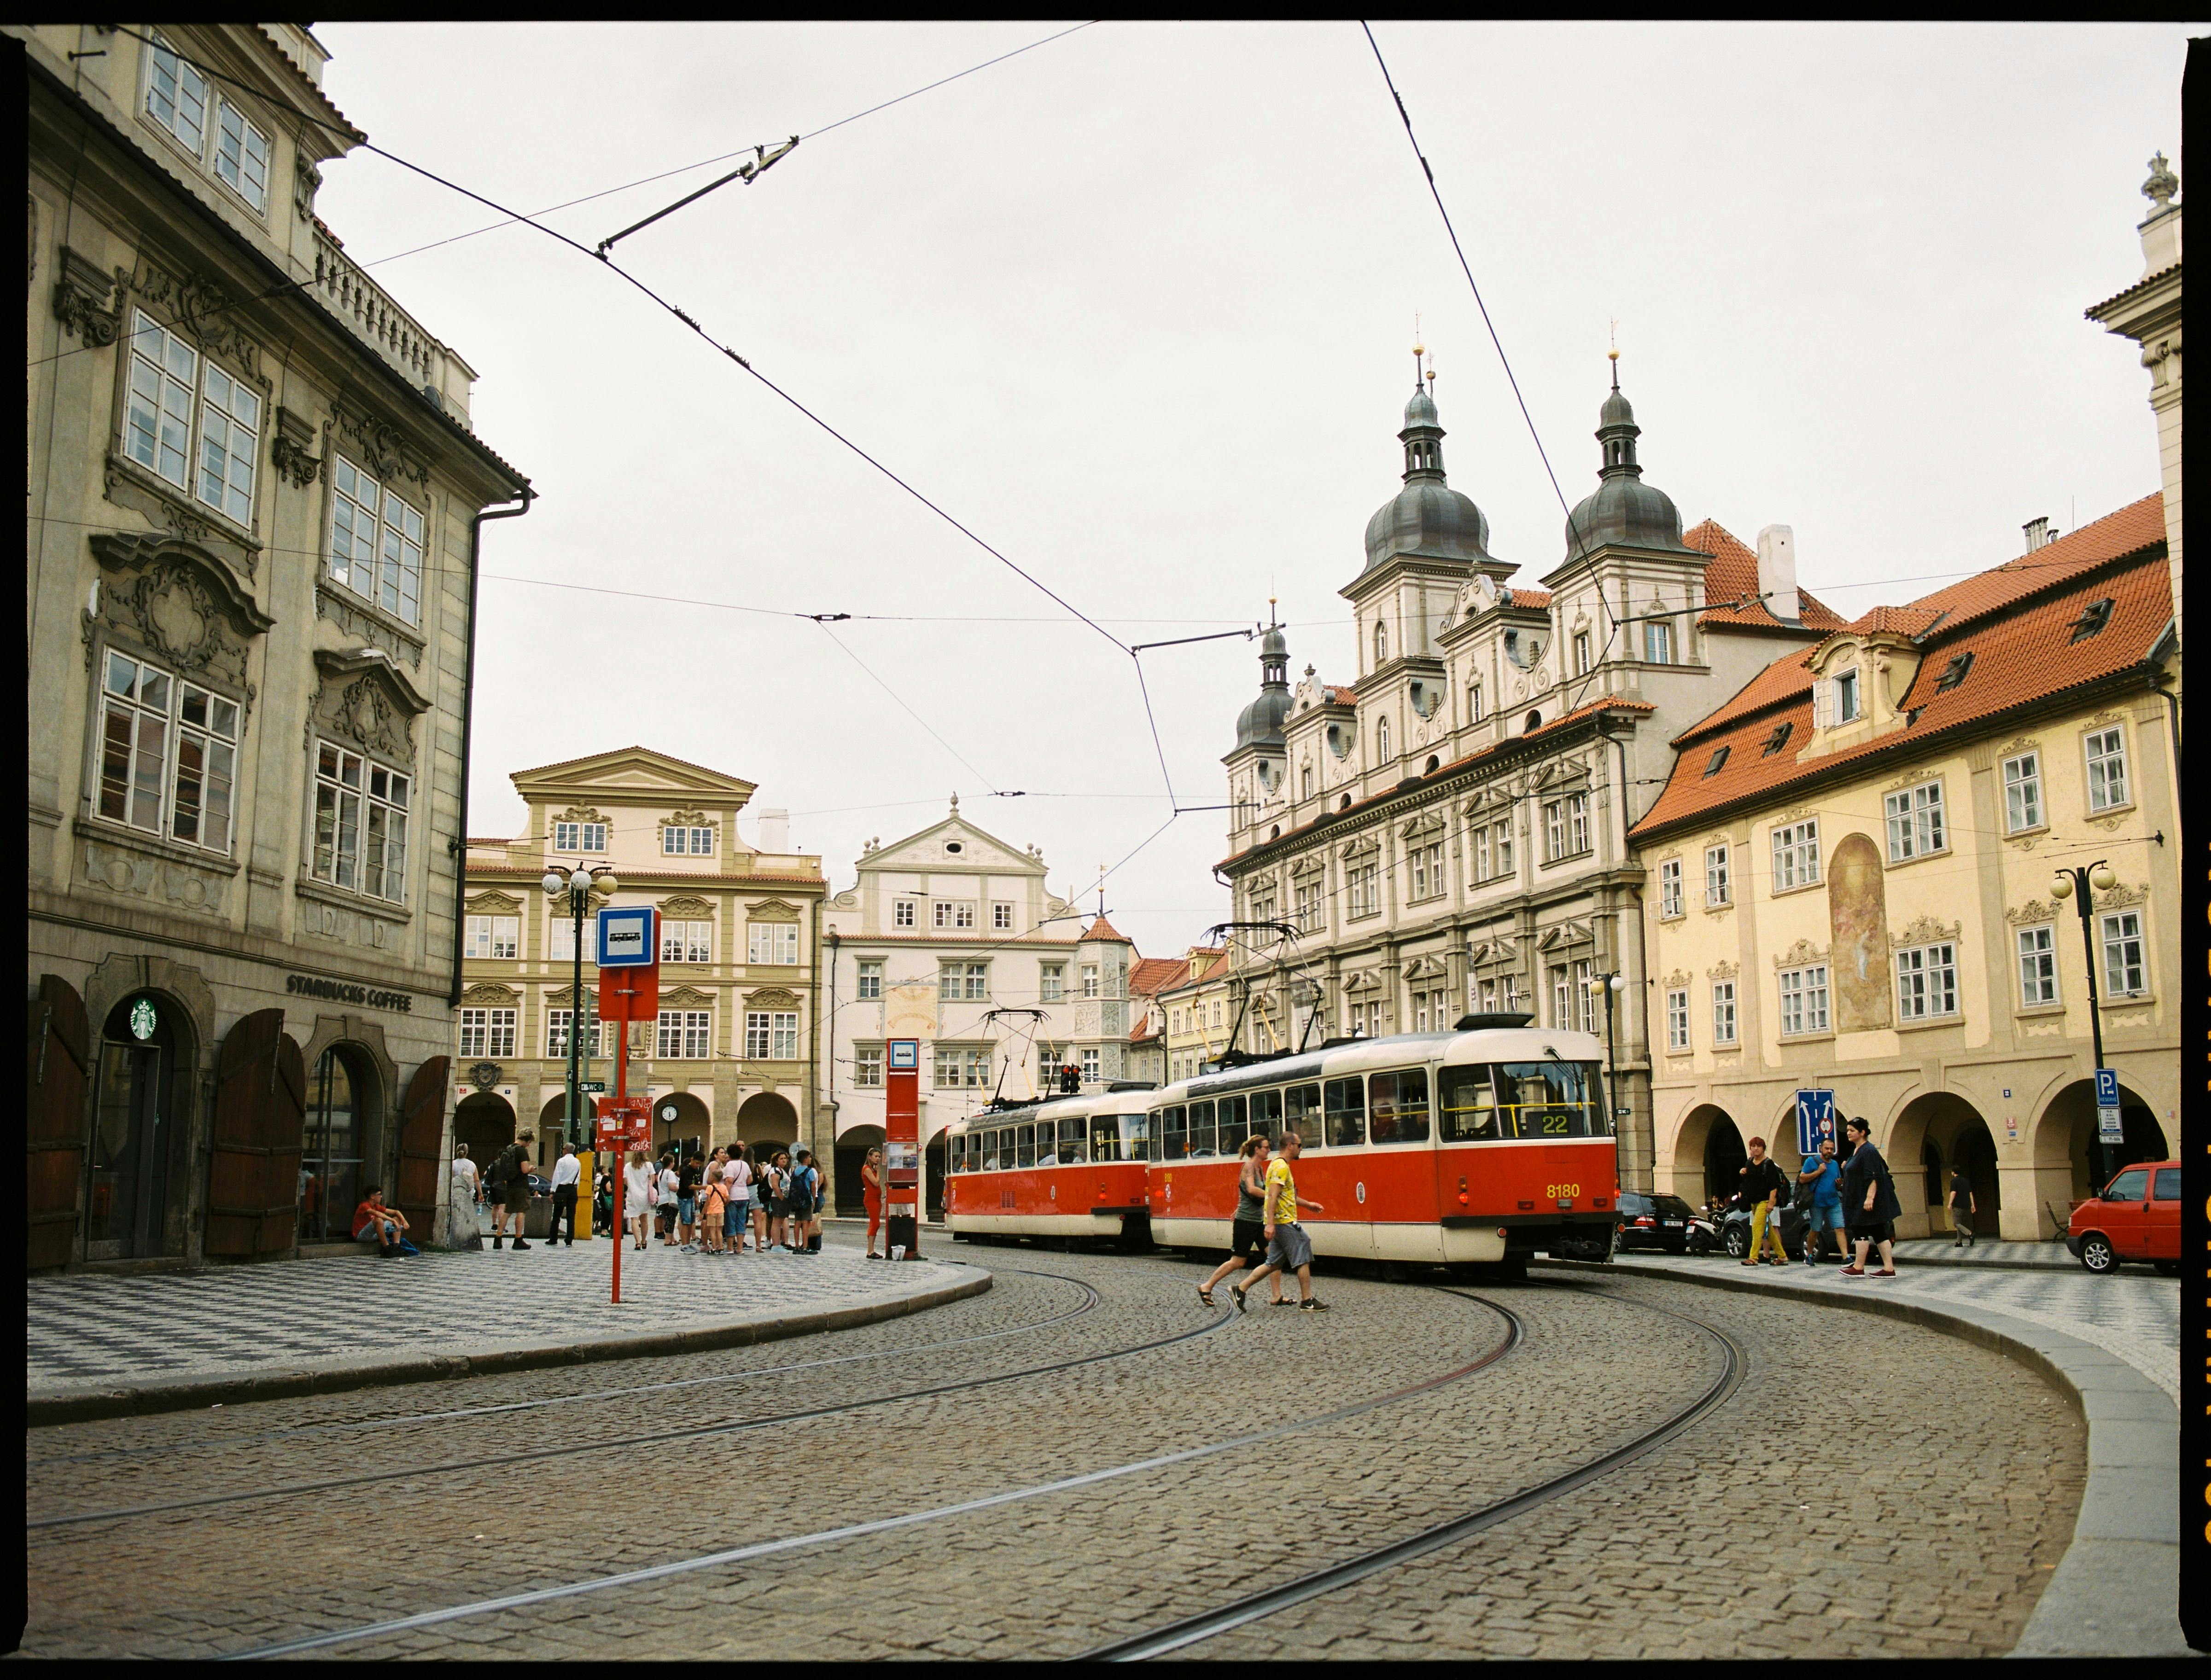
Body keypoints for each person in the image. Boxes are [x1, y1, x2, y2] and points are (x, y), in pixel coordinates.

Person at [1236, 1130, 1326, 1311]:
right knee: (1303, 1250)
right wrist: (1270, 1224)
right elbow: (1272, 1196)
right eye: (1299, 1145)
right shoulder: (1281, 1167)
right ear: (1290, 1146)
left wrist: (1308, 1205)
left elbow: (1286, 1196)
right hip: (1284, 1221)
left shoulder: (1279, 1165)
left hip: (1280, 1220)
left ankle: (1240, 1289)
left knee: (1273, 1263)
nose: (1301, 1149)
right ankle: (1307, 1300)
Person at [1201, 1134, 1285, 1307]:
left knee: (1274, 1258)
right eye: (1266, 1147)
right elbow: (1251, 1189)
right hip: (1246, 1222)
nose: (1269, 1150)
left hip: (1258, 1221)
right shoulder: (1249, 1167)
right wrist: (1274, 1196)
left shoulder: (1260, 1168)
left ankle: (1277, 1296)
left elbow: (1245, 1195)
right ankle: (1206, 1286)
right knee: (1238, 1261)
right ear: (1257, 1150)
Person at [1838, 1116, 1902, 1278]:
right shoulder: (1858, 1150)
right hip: (1859, 1198)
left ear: (1863, 1132)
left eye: (1853, 1131)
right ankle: (1889, 1269)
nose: (1849, 1133)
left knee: (1860, 1228)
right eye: (1848, 1131)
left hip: (1865, 1200)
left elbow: (1873, 1176)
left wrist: (1870, 1198)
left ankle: (1859, 1267)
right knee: (1879, 1232)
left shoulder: (1868, 1150)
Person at [1738, 1137, 1791, 1267]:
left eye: (1759, 1146)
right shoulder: (1749, 1162)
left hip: (1765, 1200)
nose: (1756, 1149)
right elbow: (1748, 1181)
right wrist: (1742, 1172)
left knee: (1757, 1227)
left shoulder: (1769, 1164)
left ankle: (1753, 1257)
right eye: (1753, 1146)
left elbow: (1774, 1186)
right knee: (1771, 1232)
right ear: (1750, 1148)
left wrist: (1771, 1203)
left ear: (1763, 1148)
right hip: (1753, 1202)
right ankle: (1782, 1256)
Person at [1797, 1138, 1846, 1266]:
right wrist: (1818, 1172)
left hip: (1833, 1202)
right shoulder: (1811, 1161)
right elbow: (1802, 1179)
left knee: (1840, 1228)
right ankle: (1809, 1255)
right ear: (1821, 1148)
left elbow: (1837, 1183)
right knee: (1815, 1230)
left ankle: (1846, 1258)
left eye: (1832, 1149)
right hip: (1817, 1203)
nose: (1829, 1151)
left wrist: (1839, 1185)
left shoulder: (1835, 1164)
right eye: (1827, 1148)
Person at [489, 1132, 535, 1250]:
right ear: (527, 1140)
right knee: (521, 1211)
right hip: (521, 1186)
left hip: (509, 1185)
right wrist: (530, 1169)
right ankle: (518, 1239)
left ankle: (498, 1238)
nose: (529, 1145)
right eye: (530, 1142)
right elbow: (524, 1170)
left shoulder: (509, 1149)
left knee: (507, 1212)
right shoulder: (522, 1151)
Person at [352, 1185, 412, 1256]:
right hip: (362, 1235)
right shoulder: (364, 1206)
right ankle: (387, 1248)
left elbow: (396, 1212)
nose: (381, 1197)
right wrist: (392, 1221)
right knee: (378, 1220)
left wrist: (404, 1222)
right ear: (372, 1197)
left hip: (373, 1234)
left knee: (397, 1218)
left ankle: (397, 1246)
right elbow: (377, 1214)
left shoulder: (376, 1206)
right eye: (379, 1195)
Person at [448, 1145, 483, 1251]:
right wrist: (480, 1194)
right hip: (468, 1191)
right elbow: (477, 1180)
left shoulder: (453, 1163)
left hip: (455, 1190)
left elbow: (451, 1178)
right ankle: (467, 1233)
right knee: (467, 1213)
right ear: (467, 1152)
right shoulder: (472, 1164)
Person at [786, 1148, 820, 1255]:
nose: (810, 1159)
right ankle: (805, 1247)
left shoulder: (795, 1171)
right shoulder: (810, 1171)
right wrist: (814, 1200)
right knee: (806, 1223)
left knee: (797, 1222)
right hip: (806, 1199)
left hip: (797, 1200)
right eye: (809, 1157)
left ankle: (797, 1246)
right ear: (806, 1159)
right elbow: (813, 1187)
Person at [548, 1143, 582, 1247]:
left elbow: (557, 1176)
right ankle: (569, 1240)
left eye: (563, 1149)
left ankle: (553, 1239)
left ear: (566, 1150)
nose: (563, 1151)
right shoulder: (578, 1162)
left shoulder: (561, 1161)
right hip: (573, 1189)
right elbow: (578, 1178)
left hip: (562, 1188)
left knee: (557, 1215)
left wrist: (552, 1191)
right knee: (571, 1216)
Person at [622, 1146, 653, 1250]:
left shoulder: (628, 1166)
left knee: (634, 1219)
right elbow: (652, 1180)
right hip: (644, 1195)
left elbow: (625, 1182)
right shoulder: (648, 1165)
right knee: (644, 1219)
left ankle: (638, 1242)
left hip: (632, 1195)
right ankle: (644, 1241)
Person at [698, 1148, 729, 1255]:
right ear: (716, 1155)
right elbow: (710, 1181)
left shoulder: (718, 1165)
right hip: (712, 1198)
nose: (724, 1154)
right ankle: (710, 1244)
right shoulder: (715, 1164)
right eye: (722, 1153)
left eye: (725, 1153)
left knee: (713, 1227)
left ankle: (712, 1245)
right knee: (712, 1226)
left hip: (713, 1202)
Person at [724, 1144, 753, 1255]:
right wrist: (742, 1184)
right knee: (741, 1222)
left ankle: (731, 1248)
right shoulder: (745, 1164)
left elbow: (729, 1181)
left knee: (730, 1222)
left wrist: (726, 1195)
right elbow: (750, 1179)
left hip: (733, 1196)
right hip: (744, 1196)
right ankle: (740, 1248)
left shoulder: (730, 1165)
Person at [677, 1149, 704, 1253]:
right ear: (692, 1160)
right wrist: (704, 1187)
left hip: (691, 1198)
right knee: (686, 1222)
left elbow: (694, 1186)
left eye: (700, 1164)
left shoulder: (695, 1170)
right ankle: (684, 1246)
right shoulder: (686, 1171)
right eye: (697, 1163)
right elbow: (690, 1185)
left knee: (691, 1222)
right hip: (684, 1198)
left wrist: (696, 1197)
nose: (698, 1165)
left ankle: (688, 1243)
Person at [861, 1147, 885, 1260]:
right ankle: (870, 1251)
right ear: (870, 1157)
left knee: (874, 1223)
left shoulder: (873, 1169)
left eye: (879, 1157)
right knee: (875, 1224)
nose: (878, 1159)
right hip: (871, 1199)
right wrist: (879, 1172)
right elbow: (876, 1183)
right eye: (876, 1156)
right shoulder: (867, 1169)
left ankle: (871, 1250)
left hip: (876, 1199)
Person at [1948, 1163, 1977, 1248]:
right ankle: (1959, 1242)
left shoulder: (1954, 1181)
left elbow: (1953, 1192)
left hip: (1958, 1205)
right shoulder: (1966, 1181)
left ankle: (1970, 1234)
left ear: (1953, 1172)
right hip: (1967, 1205)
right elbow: (1970, 1193)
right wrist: (1973, 1205)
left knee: (1956, 1223)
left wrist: (1950, 1204)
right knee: (1960, 1224)